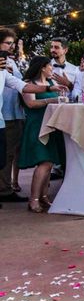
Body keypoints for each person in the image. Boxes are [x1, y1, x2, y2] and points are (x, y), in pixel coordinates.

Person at [18, 56, 65, 213]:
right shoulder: (30, 84)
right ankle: (34, 199)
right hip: (37, 126)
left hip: (51, 126)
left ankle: (44, 196)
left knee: (50, 163)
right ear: (42, 67)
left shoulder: (52, 84)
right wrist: (50, 101)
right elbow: (30, 103)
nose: (52, 68)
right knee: (43, 163)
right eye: (50, 66)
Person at [0, 28, 27, 203]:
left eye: (12, 43)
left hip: (16, 111)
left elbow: (19, 83)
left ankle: (9, 185)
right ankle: (4, 189)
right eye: (8, 43)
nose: (11, 46)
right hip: (5, 114)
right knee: (5, 154)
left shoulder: (11, 61)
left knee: (12, 152)